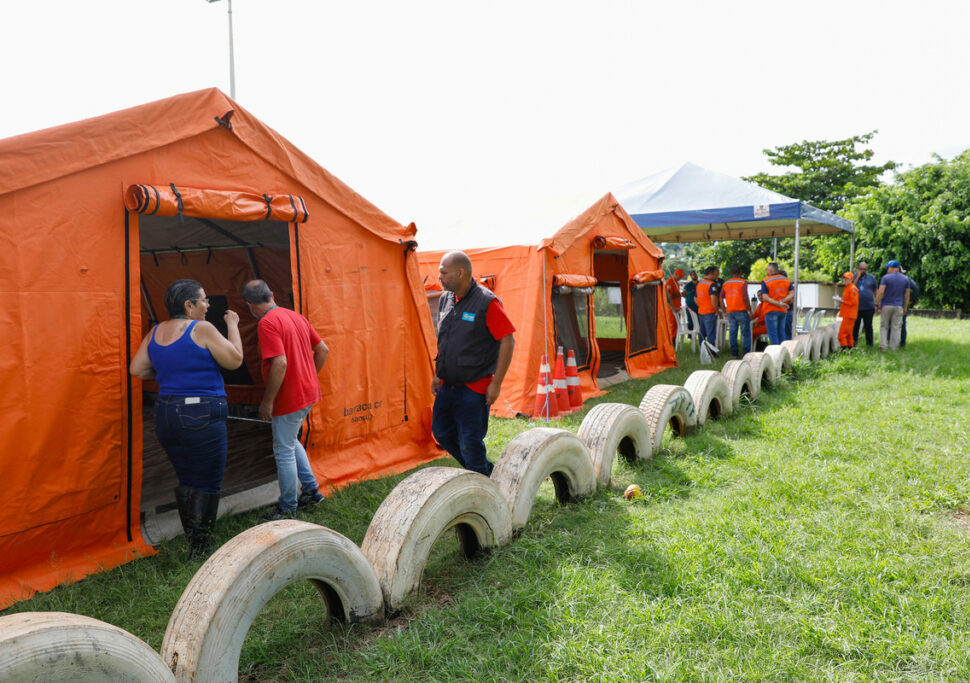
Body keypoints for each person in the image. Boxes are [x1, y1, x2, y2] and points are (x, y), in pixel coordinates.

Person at [129, 279, 243, 558]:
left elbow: (138, 369)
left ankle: (194, 537)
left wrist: (172, 373)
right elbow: (235, 360)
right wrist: (234, 326)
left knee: (186, 476)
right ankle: (200, 549)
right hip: (201, 411)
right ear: (188, 305)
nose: (207, 306)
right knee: (207, 481)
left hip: (166, 412)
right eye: (204, 300)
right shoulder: (202, 328)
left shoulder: (155, 332)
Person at [242, 279, 329, 519]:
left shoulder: (267, 323)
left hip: (289, 397)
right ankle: (312, 492)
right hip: (307, 392)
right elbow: (323, 349)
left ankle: (288, 506)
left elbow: (279, 362)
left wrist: (267, 401)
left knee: (283, 449)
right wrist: (309, 375)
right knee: (291, 442)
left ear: (249, 305)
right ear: (271, 293)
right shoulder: (294, 315)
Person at [432, 251, 515, 475]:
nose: (438, 277)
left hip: (474, 387)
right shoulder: (445, 299)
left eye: (443, 272)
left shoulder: (487, 303)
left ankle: (481, 483)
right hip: (447, 384)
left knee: (470, 441)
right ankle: (485, 473)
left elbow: (508, 340)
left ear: (460, 273)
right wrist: (437, 373)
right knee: (441, 433)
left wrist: (496, 383)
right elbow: (445, 338)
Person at [874, 260, 910, 351]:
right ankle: (894, 348)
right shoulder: (906, 279)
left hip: (886, 306)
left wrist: (876, 303)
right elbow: (907, 295)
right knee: (896, 327)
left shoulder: (885, 278)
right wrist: (905, 307)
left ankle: (883, 346)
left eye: (889, 268)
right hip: (899, 306)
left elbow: (881, 292)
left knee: (884, 326)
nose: (888, 270)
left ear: (894, 268)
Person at [721, 266, 751, 357]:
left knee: (733, 332)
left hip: (730, 311)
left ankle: (734, 353)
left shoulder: (726, 283)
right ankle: (746, 353)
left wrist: (724, 311)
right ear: (740, 272)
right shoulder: (743, 282)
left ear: (731, 273)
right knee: (746, 333)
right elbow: (745, 297)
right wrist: (749, 309)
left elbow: (721, 297)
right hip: (741, 310)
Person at [760, 262, 792, 345]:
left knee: (773, 334)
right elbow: (792, 294)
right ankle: (783, 353)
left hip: (771, 310)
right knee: (781, 333)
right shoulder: (786, 280)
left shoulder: (766, 281)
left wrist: (778, 303)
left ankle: (776, 355)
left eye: (767, 269)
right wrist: (782, 302)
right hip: (783, 310)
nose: (766, 271)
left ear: (770, 270)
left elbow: (765, 298)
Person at [852, 261, 877, 347]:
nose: (863, 271)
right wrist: (858, 277)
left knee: (868, 326)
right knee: (855, 327)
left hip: (869, 307)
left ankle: (870, 344)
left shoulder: (871, 277)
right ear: (858, 269)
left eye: (865, 269)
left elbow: (875, 290)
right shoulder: (853, 277)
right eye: (861, 269)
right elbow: (851, 288)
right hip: (857, 307)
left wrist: (877, 302)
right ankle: (854, 344)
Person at [695, 267, 720, 347]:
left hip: (701, 312)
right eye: (716, 273)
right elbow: (713, 300)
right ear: (711, 274)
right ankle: (711, 352)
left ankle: (702, 350)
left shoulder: (700, 283)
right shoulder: (711, 284)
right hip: (710, 312)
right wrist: (716, 310)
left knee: (702, 333)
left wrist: (701, 305)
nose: (717, 275)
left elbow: (695, 298)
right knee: (711, 334)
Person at [832, 272, 858, 348]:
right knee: (849, 334)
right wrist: (841, 300)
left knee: (841, 335)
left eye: (847, 278)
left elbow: (854, 302)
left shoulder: (852, 288)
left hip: (849, 315)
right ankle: (850, 350)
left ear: (851, 279)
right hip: (847, 314)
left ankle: (844, 350)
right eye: (844, 278)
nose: (845, 280)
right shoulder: (848, 287)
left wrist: (842, 301)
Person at [664, 268, 684, 341]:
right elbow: (668, 298)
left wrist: (681, 294)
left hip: (677, 307)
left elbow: (675, 295)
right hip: (672, 308)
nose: (680, 278)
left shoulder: (676, 283)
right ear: (675, 274)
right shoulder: (669, 283)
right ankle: (671, 341)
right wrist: (673, 308)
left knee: (676, 325)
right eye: (679, 276)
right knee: (672, 325)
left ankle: (674, 339)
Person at [900, 274, 919, 347]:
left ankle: (891, 342)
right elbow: (916, 289)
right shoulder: (907, 279)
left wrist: (910, 300)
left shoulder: (888, 277)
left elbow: (916, 289)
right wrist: (909, 301)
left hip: (896, 303)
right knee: (902, 324)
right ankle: (902, 343)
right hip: (903, 303)